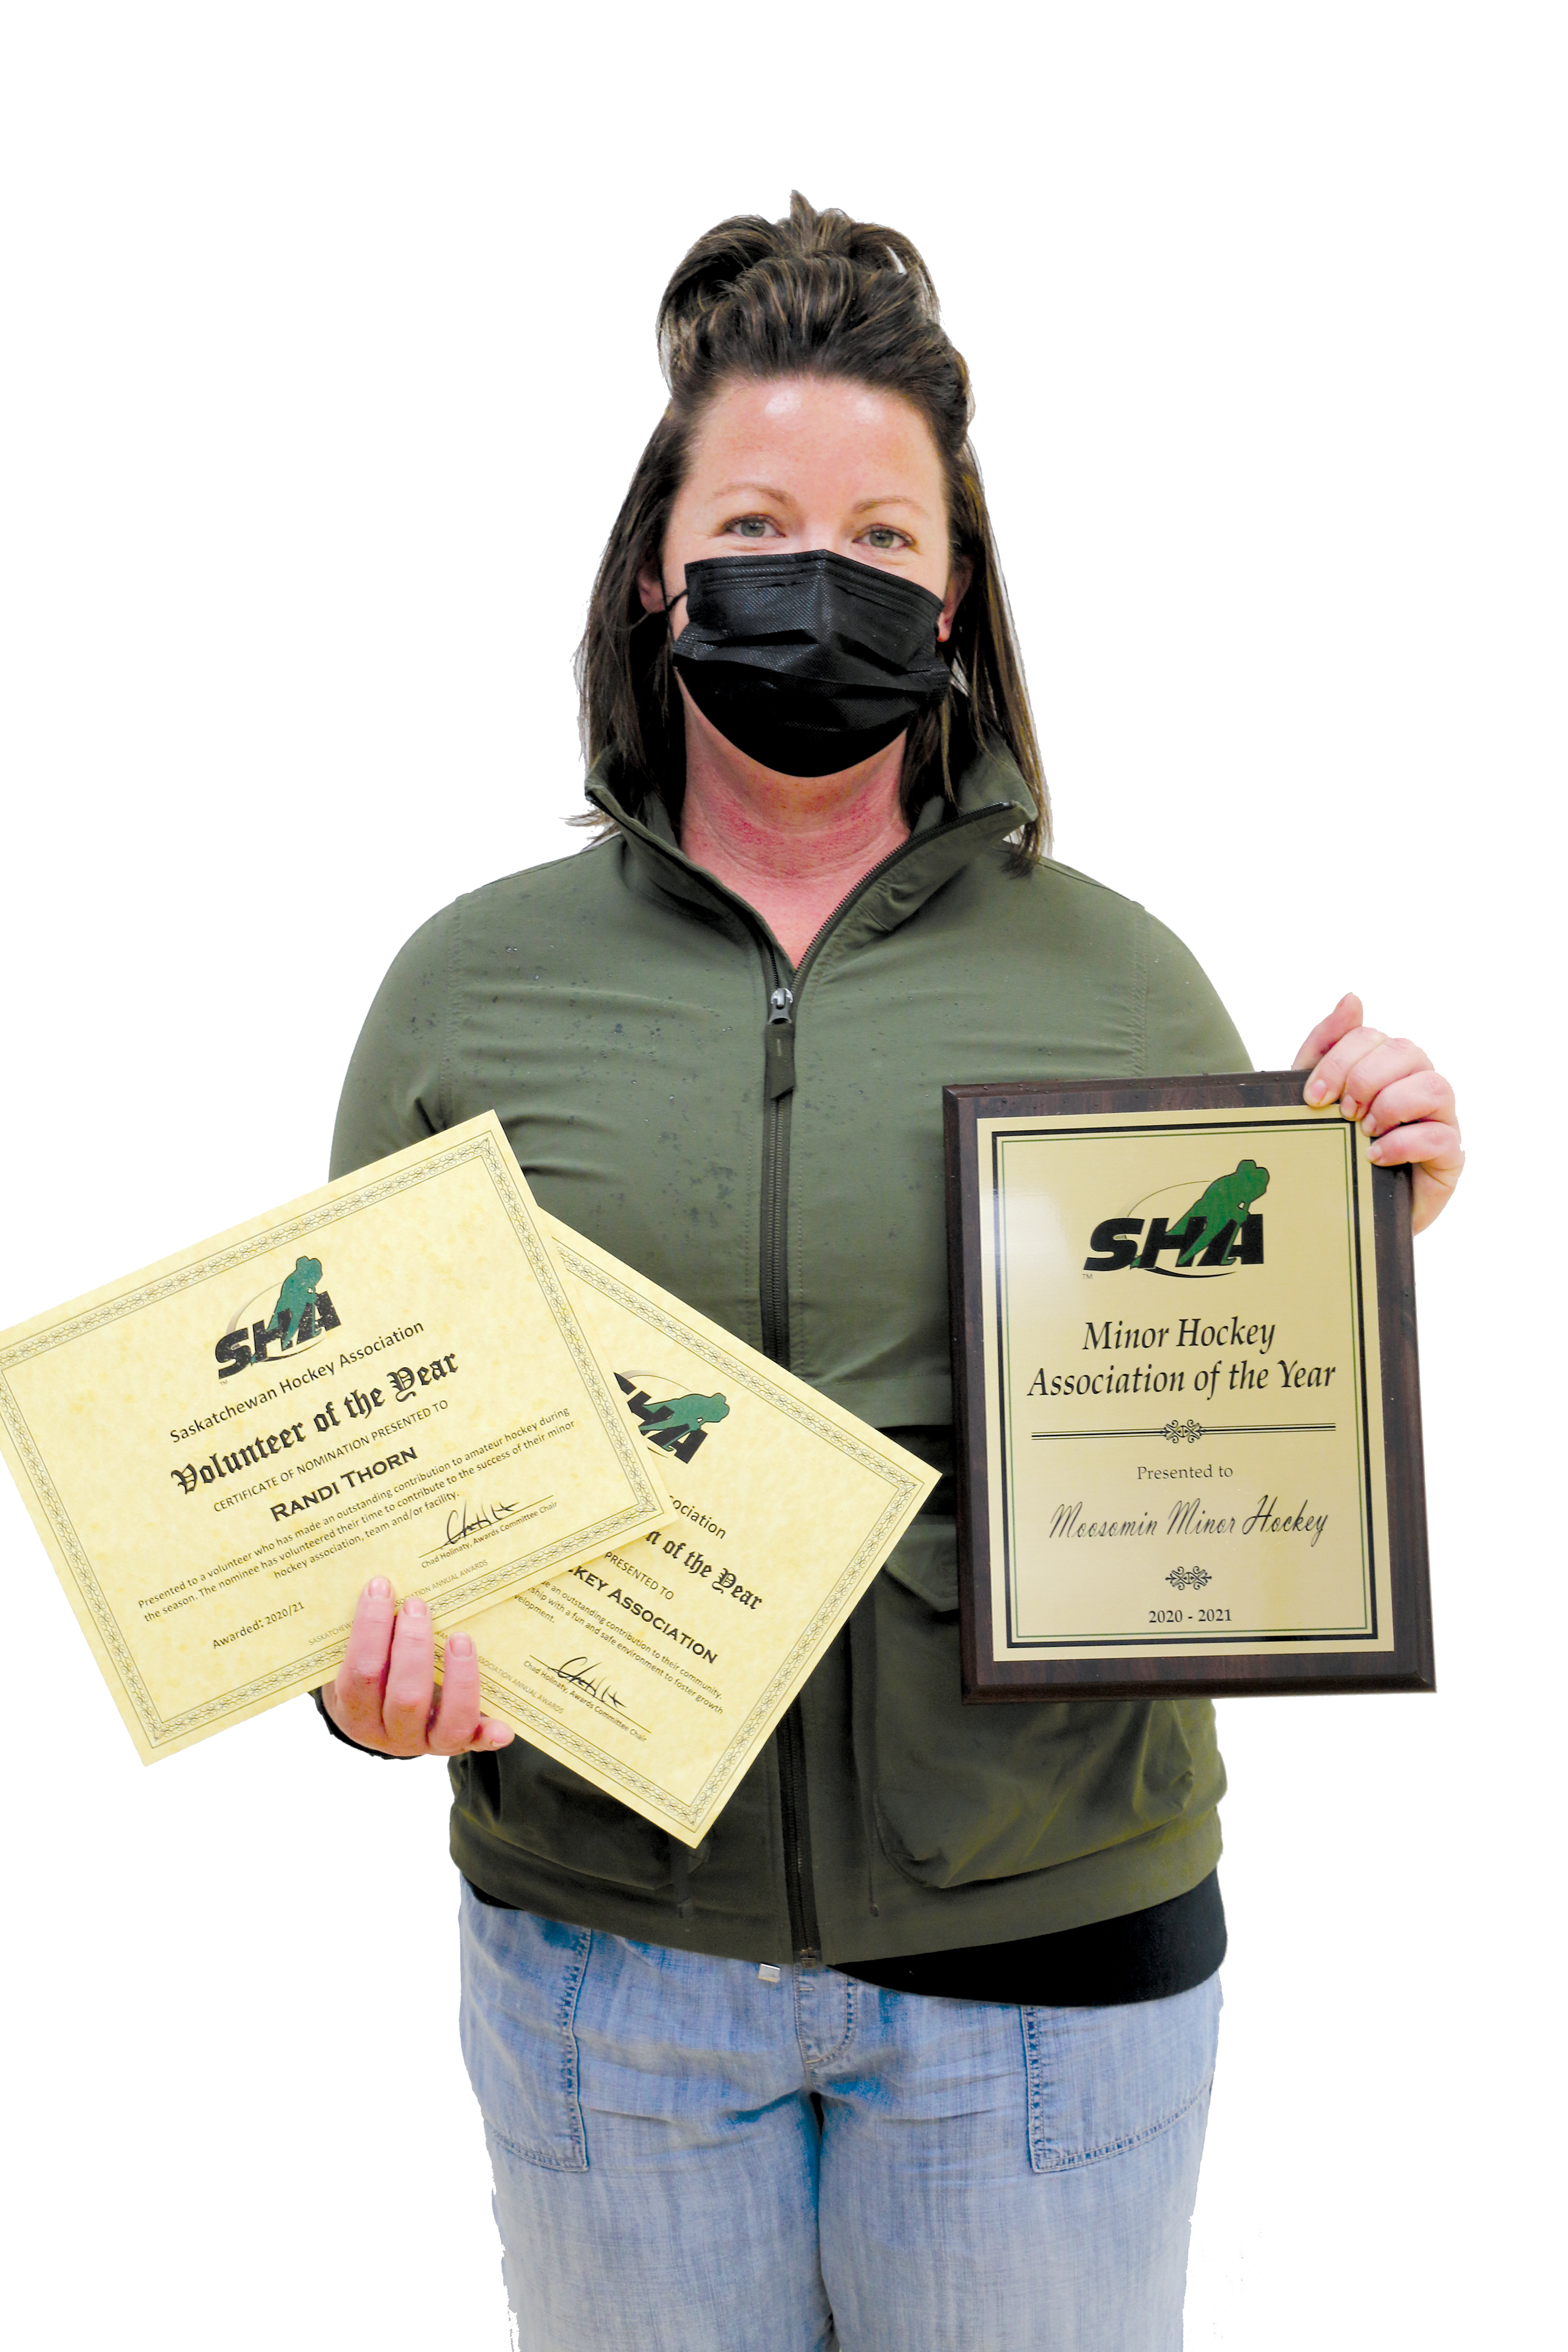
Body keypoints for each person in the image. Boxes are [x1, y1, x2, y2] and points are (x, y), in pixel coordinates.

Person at [318, 196, 1462, 2350]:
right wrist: (363, 1682)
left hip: (1050, 2002)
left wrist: (1351, 1223)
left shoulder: (1119, 982)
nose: (816, 576)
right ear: (659, 565)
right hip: (607, 1985)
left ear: (952, 602)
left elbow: (1213, 1395)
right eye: (755, 517)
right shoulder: (466, 990)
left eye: (882, 537)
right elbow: (352, 1470)